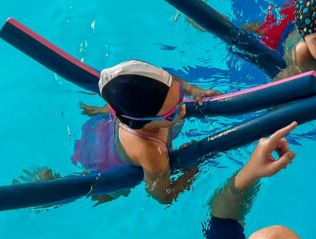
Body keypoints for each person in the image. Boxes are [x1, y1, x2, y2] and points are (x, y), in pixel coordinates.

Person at [76, 60, 219, 205]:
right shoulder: (152, 152)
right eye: (173, 113)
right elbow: (163, 196)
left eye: (180, 93)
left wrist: (191, 89)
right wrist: (192, 169)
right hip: (109, 165)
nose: (183, 108)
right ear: (144, 121)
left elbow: (169, 80)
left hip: (104, 128)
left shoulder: (133, 107)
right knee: (105, 194)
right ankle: (57, 185)